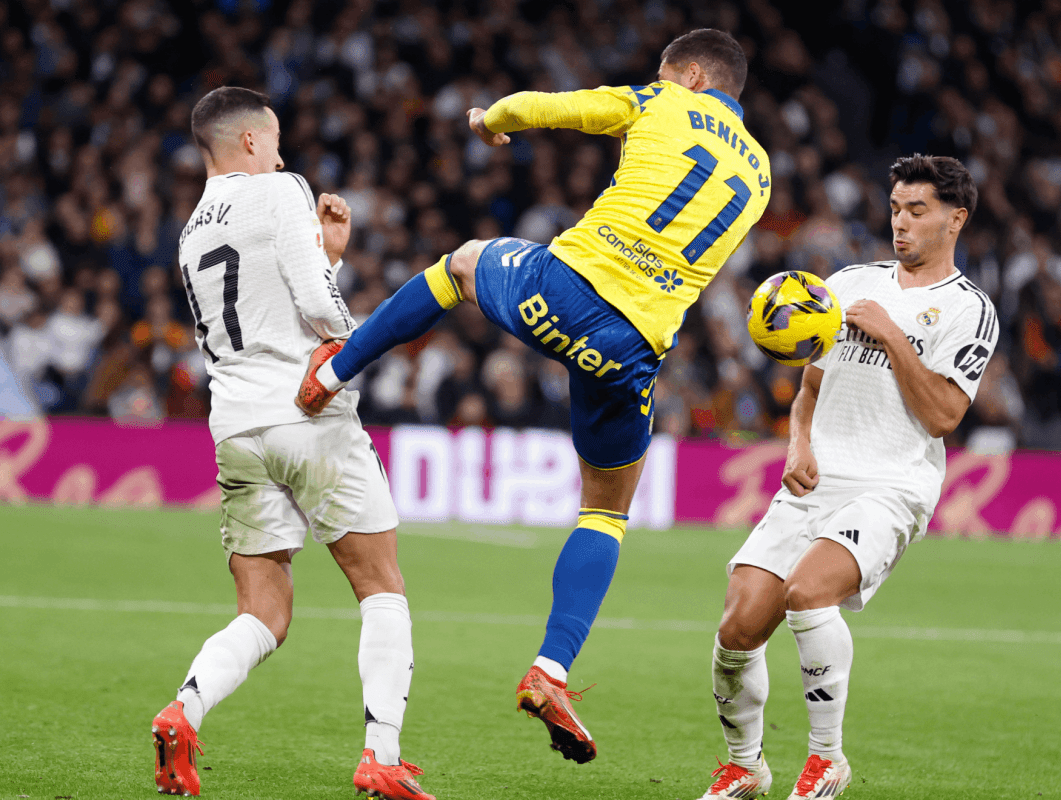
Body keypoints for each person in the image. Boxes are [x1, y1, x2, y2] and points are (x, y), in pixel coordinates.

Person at [296, 29, 770, 764]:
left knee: (463, 263)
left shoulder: (663, 100)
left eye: (665, 73)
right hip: (634, 348)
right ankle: (551, 668)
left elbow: (556, 108)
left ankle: (332, 371)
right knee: (607, 509)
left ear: (694, 75)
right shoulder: (763, 171)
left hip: (568, 285)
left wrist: (493, 120)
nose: (659, 80)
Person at [151, 87, 434, 800]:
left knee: (263, 612)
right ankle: (382, 755)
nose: (281, 154)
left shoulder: (189, 230)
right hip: (307, 413)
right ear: (250, 142)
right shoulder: (280, 188)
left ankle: (182, 711)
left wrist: (326, 254)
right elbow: (313, 307)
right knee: (381, 585)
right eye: (274, 141)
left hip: (235, 423)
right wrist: (352, 344)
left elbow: (263, 310)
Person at [696, 155, 995, 800]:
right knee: (737, 629)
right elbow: (810, 382)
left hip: (891, 486)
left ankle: (826, 759)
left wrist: (893, 338)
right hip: (816, 481)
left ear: (955, 219)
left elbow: (944, 415)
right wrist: (797, 444)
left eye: (918, 211)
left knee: (809, 594)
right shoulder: (851, 281)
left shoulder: (969, 310)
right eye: (895, 209)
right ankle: (746, 767)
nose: (902, 224)